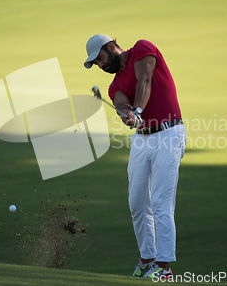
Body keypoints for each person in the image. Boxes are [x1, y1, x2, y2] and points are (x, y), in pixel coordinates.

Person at [83, 34, 186, 280]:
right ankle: (147, 260)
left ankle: (164, 267)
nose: (100, 65)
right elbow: (121, 102)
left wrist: (138, 110)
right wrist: (127, 114)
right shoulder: (114, 85)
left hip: (168, 134)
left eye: (100, 58)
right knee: (137, 204)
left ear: (111, 47)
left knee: (161, 203)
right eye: (96, 63)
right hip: (141, 139)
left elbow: (145, 81)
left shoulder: (142, 48)